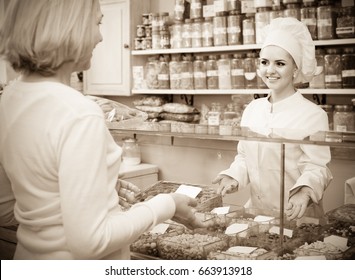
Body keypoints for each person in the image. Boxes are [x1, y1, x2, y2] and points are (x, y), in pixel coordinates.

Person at [0, 0, 205, 260]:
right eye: (96, 22)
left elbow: (7, 208)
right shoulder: (79, 112)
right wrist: (167, 204)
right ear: (68, 27)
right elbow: (92, 242)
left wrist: (97, 189)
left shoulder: (11, 97)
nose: (100, 36)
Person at [213, 17, 333, 221]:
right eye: (264, 62)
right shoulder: (253, 108)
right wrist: (234, 176)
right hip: (258, 213)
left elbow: (317, 167)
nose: (270, 70)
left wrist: (304, 191)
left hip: (297, 215)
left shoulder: (313, 115)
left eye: (280, 63)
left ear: (295, 69)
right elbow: (244, 157)